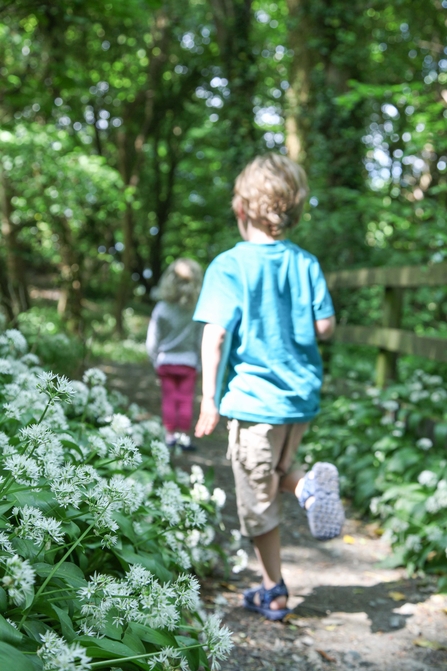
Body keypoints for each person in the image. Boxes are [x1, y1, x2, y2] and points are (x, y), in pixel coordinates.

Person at [193, 153, 344, 620]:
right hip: (300, 397)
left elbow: (214, 334)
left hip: (256, 401)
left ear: (241, 209)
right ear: (293, 211)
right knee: (276, 476)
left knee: (256, 501)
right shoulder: (306, 263)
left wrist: (208, 399)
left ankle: (273, 590)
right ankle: (309, 489)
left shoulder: (228, 266)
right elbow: (325, 326)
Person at [146, 258, 203, 451]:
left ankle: (170, 436)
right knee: (185, 400)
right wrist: (200, 363)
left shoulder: (161, 308)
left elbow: (152, 340)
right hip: (189, 363)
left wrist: (154, 359)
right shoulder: (196, 311)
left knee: (169, 400)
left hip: (166, 362)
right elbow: (200, 340)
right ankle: (184, 437)